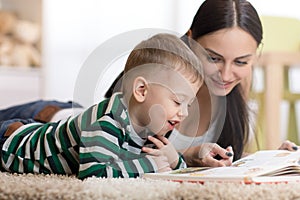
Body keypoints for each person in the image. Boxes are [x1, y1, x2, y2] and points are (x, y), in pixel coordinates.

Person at [104, 0, 299, 167]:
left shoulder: (239, 83)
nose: (226, 74)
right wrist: (187, 156)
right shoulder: (156, 78)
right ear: (190, 40)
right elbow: (113, 156)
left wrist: (271, 159)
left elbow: (230, 155)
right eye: (214, 58)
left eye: (241, 61)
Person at [0, 33, 207, 179]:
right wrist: (150, 165)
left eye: (188, 104)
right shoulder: (106, 123)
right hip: (13, 146)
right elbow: (94, 173)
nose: (185, 113)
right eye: (178, 101)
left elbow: (166, 165)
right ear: (142, 90)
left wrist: (174, 159)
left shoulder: (149, 126)